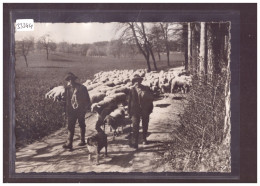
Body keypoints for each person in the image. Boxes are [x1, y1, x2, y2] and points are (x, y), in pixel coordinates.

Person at [62, 72, 91, 150]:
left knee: (81, 124)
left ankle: (82, 140)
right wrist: (64, 110)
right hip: (71, 111)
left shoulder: (82, 88)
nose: (70, 81)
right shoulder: (67, 88)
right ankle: (69, 143)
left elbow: (87, 99)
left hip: (80, 110)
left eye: (71, 79)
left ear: (74, 80)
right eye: (68, 80)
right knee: (70, 126)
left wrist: (86, 108)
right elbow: (65, 100)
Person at [128, 74, 154, 150]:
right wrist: (129, 112)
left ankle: (144, 138)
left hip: (145, 110)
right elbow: (129, 102)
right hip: (135, 111)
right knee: (135, 126)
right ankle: (135, 143)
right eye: (135, 81)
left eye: (138, 80)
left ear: (140, 81)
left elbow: (150, 99)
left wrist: (150, 109)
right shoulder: (131, 90)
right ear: (133, 82)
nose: (137, 82)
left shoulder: (146, 88)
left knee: (145, 124)